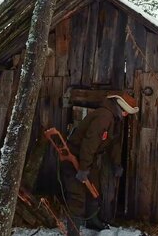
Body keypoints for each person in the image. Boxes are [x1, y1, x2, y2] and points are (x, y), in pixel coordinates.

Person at [61, 93, 139, 236]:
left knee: (94, 191)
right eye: (128, 111)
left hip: (88, 160)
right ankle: (73, 231)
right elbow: (89, 144)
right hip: (75, 158)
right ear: (121, 107)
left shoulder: (115, 120)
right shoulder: (104, 117)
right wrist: (83, 168)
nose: (128, 114)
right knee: (77, 195)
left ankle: (92, 221)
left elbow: (114, 144)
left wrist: (116, 164)